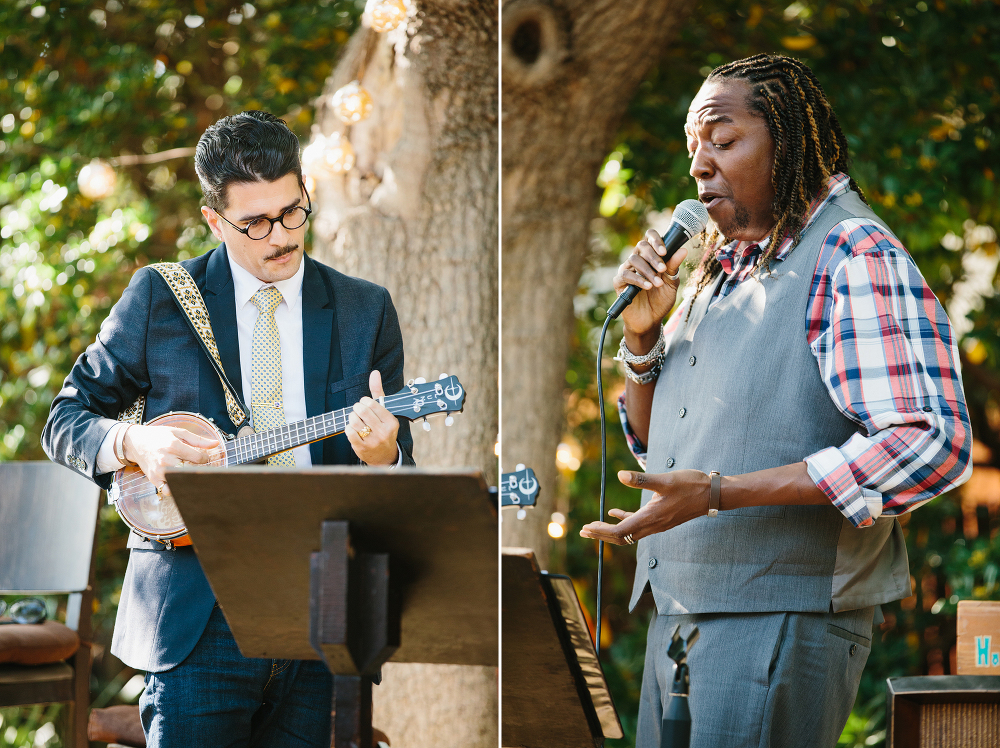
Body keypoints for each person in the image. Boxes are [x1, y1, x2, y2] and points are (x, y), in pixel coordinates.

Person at [580, 55, 972, 748]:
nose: (700, 166)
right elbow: (658, 447)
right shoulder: (717, 271)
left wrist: (723, 492)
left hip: (784, 615)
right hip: (679, 618)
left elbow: (927, 438)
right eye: (693, 146)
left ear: (787, 142)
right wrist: (642, 339)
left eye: (723, 141)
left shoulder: (853, 253)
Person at [42, 110, 414, 747]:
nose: (282, 236)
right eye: (256, 223)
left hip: (322, 606)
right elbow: (64, 421)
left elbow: (399, 465)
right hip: (194, 613)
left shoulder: (364, 309)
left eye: (293, 211)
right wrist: (135, 441)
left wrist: (385, 456)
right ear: (214, 220)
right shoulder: (159, 298)